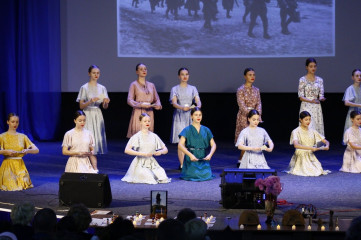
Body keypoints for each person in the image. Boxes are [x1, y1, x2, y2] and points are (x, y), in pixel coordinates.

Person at [77, 65, 110, 172]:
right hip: (88, 114)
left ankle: (94, 168)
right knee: (87, 140)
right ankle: (84, 166)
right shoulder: (84, 87)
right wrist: (90, 101)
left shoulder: (102, 88)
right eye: (94, 73)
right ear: (89, 74)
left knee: (94, 142)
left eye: (98, 73)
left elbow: (105, 107)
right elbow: (81, 106)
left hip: (97, 114)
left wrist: (105, 102)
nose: (96, 75)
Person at [122, 113, 170, 184]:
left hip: (151, 162)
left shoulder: (154, 136)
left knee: (163, 177)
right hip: (140, 162)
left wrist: (160, 152)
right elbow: (127, 150)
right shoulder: (137, 136)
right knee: (148, 177)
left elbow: (165, 149)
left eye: (148, 121)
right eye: (145, 121)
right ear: (140, 122)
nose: (147, 122)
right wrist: (142, 154)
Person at [170, 67, 202, 170]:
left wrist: (197, 107)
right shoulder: (175, 89)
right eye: (182, 74)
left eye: (186, 74)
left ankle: (191, 162)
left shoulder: (193, 88)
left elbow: (198, 100)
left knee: (191, 141)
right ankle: (182, 164)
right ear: (179, 76)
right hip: (179, 116)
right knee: (181, 141)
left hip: (190, 116)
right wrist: (182, 107)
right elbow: (174, 103)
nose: (185, 76)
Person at [0, 113, 39, 191]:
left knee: (21, 186)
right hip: (8, 166)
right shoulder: (2, 136)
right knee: (11, 186)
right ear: (8, 122)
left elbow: (36, 150)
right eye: (13, 121)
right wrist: (4, 151)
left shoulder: (23, 136)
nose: (15, 124)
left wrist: (28, 150)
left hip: (20, 165)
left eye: (17, 122)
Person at [286, 111, 330, 176]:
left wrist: (327, 145)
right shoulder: (296, 131)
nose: (308, 121)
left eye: (309, 119)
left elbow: (325, 141)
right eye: (306, 120)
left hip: (310, 154)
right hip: (301, 153)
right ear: (300, 120)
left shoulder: (312, 131)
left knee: (319, 170)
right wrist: (311, 148)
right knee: (309, 171)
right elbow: (296, 145)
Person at [178, 107, 216, 181]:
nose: (198, 117)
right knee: (194, 174)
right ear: (191, 116)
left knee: (207, 175)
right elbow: (180, 145)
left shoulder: (206, 129)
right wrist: (190, 155)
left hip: (203, 158)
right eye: (196, 115)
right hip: (191, 158)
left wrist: (210, 155)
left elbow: (213, 144)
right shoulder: (187, 130)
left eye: (200, 115)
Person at [235, 68, 262, 166]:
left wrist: (257, 115)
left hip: (254, 117)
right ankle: (241, 159)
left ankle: (252, 160)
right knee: (245, 139)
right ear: (245, 76)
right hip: (244, 117)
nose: (252, 77)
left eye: (253, 75)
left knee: (254, 138)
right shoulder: (240, 90)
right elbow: (241, 105)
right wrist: (250, 115)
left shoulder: (256, 90)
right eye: (250, 75)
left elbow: (259, 103)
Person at [127, 63, 162, 138]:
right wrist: (140, 104)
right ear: (137, 72)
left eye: (145, 69)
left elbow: (157, 99)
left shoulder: (151, 85)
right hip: (139, 111)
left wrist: (158, 105)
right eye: (141, 69)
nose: (144, 71)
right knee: (138, 134)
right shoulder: (134, 84)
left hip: (149, 111)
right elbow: (129, 100)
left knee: (148, 134)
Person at [298, 58, 326, 136]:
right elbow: (301, 96)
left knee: (316, 124)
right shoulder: (302, 79)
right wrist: (311, 101)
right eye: (311, 66)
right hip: (306, 105)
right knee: (308, 124)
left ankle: (316, 143)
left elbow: (321, 95)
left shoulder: (320, 80)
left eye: (314, 66)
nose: (313, 68)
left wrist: (321, 98)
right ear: (307, 67)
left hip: (316, 106)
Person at [343, 69, 361, 138]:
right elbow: (346, 102)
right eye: (357, 76)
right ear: (353, 77)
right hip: (353, 114)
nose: (359, 77)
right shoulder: (350, 89)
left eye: (360, 76)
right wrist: (359, 105)